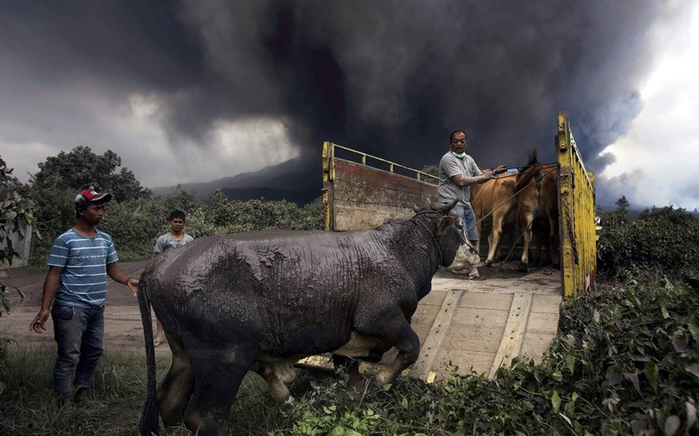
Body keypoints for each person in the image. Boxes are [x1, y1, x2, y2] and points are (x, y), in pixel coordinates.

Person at [29, 187, 139, 406]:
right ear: (81, 211)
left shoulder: (105, 239)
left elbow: (112, 268)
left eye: (102, 208)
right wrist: (45, 309)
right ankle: (63, 402)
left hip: (97, 308)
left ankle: (81, 396)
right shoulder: (66, 240)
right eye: (96, 208)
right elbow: (54, 275)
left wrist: (127, 280)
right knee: (69, 356)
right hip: (70, 308)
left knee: (92, 352)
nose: (101, 212)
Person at [438, 130, 507, 278]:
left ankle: (461, 266)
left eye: (461, 141)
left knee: (474, 236)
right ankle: (473, 269)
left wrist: (494, 172)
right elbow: (461, 181)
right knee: (463, 236)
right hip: (451, 202)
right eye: (455, 141)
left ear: (466, 143)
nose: (458, 143)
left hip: (464, 202)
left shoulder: (468, 159)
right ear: (451, 143)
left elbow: (480, 175)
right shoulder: (447, 159)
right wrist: (484, 177)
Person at [152, 210, 194, 347]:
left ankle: (183, 336)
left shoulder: (189, 240)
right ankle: (159, 335)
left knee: (183, 307)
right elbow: (157, 259)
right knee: (162, 307)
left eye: (180, 222)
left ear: (184, 224)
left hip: (182, 278)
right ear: (170, 222)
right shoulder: (163, 240)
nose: (177, 224)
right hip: (165, 278)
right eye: (175, 221)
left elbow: (192, 260)